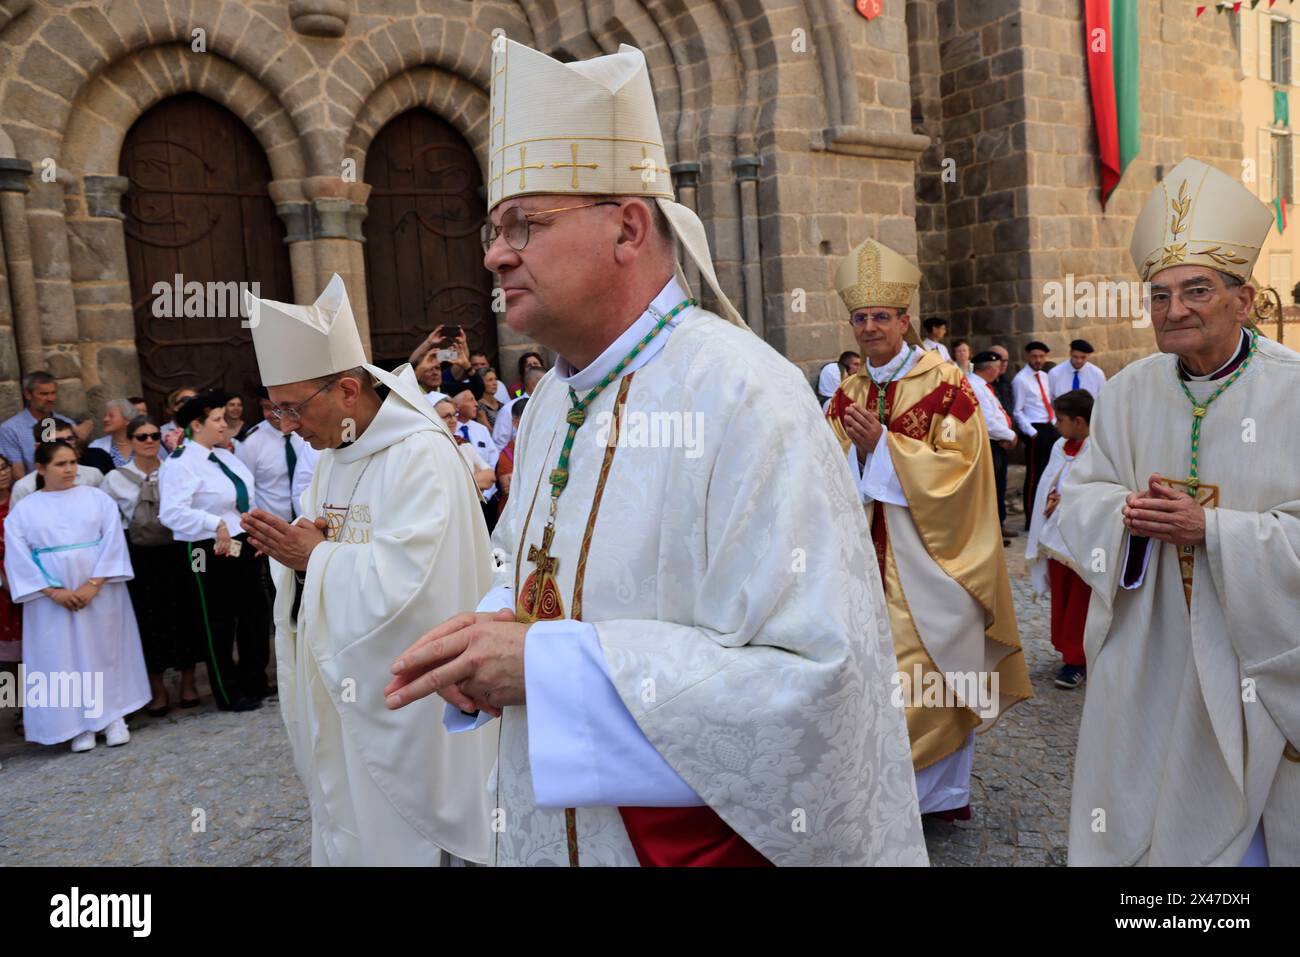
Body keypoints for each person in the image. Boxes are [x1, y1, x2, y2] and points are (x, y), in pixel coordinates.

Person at [385, 40, 926, 867]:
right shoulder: (551, 402)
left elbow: (820, 684)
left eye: (523, 224)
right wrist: (486, 639)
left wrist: (549, 666)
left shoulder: (749, 396)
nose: (495, 254)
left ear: (629, 227)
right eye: (493, 229)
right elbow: (531, 570)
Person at [1058, 157, 1300, 866]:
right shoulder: (1129, 392)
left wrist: (1214, 532)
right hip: (1150, 648)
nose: (1174, 310)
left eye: (1196, 290)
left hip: (1252, 653)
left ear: (1243, 298)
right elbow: (1081, 498)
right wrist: (1126, 518)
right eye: (1159, 295)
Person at [239, 274, 497, 867]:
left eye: (291, 408)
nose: (286, 425)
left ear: (349, 391)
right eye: (275, 409)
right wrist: (297, 560)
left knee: (408, 835)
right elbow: (318, 540)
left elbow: (418, 587)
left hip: (407, 707)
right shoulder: (334, 454)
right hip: (345, 683)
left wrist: (314, 559)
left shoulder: (420, 455)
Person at [825, 239, 1031, 823]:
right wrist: (859, 457)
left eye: (880, 317)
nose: (869, 328)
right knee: (873, 672)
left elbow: (963, 469)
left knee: (928, 670)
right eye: (860, 318)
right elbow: (822, 468)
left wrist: (882, 449)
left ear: (904, 320)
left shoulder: (947, 384)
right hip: (865, 559)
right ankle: (888, 793)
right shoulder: (849, 392)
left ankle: (934, 798)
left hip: (934, 561)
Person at [3, 439, 150, 751]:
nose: (69, 469)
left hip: (100, 590)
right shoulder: (25, 509)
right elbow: (17, 557)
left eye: (72, 462)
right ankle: (77, 724)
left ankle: (113, 716)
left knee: (105, 650)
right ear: (40, 469)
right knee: (61, 656)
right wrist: (53, 592)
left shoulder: (97, 498)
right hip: (50, 598)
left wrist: (92, 584)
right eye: (60, 464)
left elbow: (112, 541)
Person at [158, 392, 267, 712]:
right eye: (217, 419)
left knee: (253, 614)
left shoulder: (224, 457)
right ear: (196, 424)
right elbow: (171, 513)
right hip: (205, 547)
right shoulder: (182, 462)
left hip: (240, 542)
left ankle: (253, 681)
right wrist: (212, 521)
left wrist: (257, 534)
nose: (225, 424)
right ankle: (227, 690)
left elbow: (245, 499)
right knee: (217, 620)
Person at [103, 416, 203, 715]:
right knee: (149, 621)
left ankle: (188, 683)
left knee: (186, 616)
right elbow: (111, 523)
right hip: (140, 556)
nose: (149, 441)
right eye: (141, 436)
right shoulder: (114, 479)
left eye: (153, 436)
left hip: (177, 550)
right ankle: (157, 690)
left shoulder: (176, 469)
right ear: (130, 441)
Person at [1023, 389, 1093, 690]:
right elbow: (1050, 480)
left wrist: (1064, 500)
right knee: (1062, 596)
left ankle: (1078, 660)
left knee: (1081, 599)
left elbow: (1097, 490)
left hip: (1083, 539)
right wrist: (1051, 500)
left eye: (1061, 419)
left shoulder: (1100, 448)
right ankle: (1067, 649)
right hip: (1055, 535)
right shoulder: (1060, 445)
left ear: (1079, 422)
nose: (1055, 424)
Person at [968, 350, 1018, 541]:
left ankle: (998, 525)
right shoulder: (976, 387)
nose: (999, 372)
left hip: (997, 442)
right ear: (989, 368)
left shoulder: (983, 386)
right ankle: (991, 531)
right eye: (997, 368)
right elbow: (986, 421)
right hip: (989, 443)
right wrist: (1009, 435)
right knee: (991, 488)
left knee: (998, 486)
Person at [1012, 340, 1058, 531]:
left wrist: (1055, 423)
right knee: (1034, 476)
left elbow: (1050, 401)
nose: (1038, 360)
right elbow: (1017, 410)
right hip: (1035, 429)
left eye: (1041, 357)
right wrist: (1032, 433)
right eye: (1034, 356)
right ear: (1027, 357)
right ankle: (1031, 519)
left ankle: (1047, 515)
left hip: (1050, 427)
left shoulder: (1045, 377)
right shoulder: (1021, 380)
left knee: (1051, 474)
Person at [11, 421, 103, 506]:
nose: (67, 445)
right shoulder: (24, 488)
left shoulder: (93, 475)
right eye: (58, 441)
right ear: (38, 447)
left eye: (70, 439)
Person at [0, 371, 72, 479]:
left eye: (53, 393)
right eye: (44, 394)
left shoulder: (68, 424)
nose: (50, 399)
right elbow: (18, 475)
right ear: (28, 395)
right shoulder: (10, 430)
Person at [0, 455, 22, 732]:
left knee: (35, 647)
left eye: (3, 468)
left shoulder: (22, 502)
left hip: (29, 581)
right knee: (8, 656)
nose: (2, 474)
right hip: (2, 591)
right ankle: (18, 707)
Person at [435, 399, 496, 494]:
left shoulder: (463, 444)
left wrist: (458, 485)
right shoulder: (430, 447)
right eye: (447, 416)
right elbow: (438, 488)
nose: (454, 420)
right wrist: (476, 479)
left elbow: (490, 476)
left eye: (455, 415)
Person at [492, 365, 544, 451]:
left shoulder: (550, 405)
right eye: (547, 384)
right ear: (535, 385)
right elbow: (500, 446)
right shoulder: (508, 410)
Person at [88, 398, 137, 469]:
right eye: (105, 416)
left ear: (127, 419)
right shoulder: (96, 446)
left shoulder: (145, 441)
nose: (105, 419)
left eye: (111, 416)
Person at [159, 386, 197, 453]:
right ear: (174, 406)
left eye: (196, 399)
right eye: (187, 400)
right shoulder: (161, 433)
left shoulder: (207, 427)